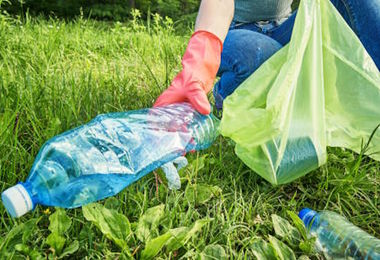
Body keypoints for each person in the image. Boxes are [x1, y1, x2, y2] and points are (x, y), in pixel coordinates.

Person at [154, 0, 380, 114]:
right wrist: (198, 65)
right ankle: (225, 93)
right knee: (260, 55)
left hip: (283, 28)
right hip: (236, 32)